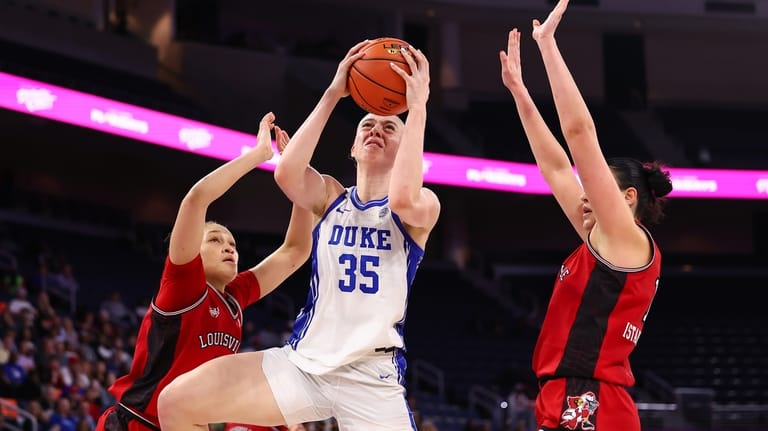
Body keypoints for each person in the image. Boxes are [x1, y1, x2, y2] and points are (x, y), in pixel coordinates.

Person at [157, 39, 440, 431]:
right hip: (304, 364)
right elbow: (286, 173)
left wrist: (419, 105)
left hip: (372, 377)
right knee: (175, 402)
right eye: (367, 126)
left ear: (406, 144)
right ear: (354, 148)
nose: (376, 129)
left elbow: (404, 195)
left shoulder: (423, 206)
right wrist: (334, 91)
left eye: (390, 126)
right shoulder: (329, 195)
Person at [499, 1, 673, 430]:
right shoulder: (604, 241)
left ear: (627, 198)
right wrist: (521, 95)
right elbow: (556, 168)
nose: (585, 195)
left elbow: (579, 135)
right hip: (566, 394)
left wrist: (548, 48)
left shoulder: (625, 238)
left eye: (596, 187)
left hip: (590, 397)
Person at [95, 112, 314, 431]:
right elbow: (196, 200)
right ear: (192, 251)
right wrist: (258, 156)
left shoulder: (235, 297)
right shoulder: (183, 285)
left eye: (233, 243)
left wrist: (300, 178)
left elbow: (295, 251)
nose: (229, 247)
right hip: (140, 423)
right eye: (215, 239)